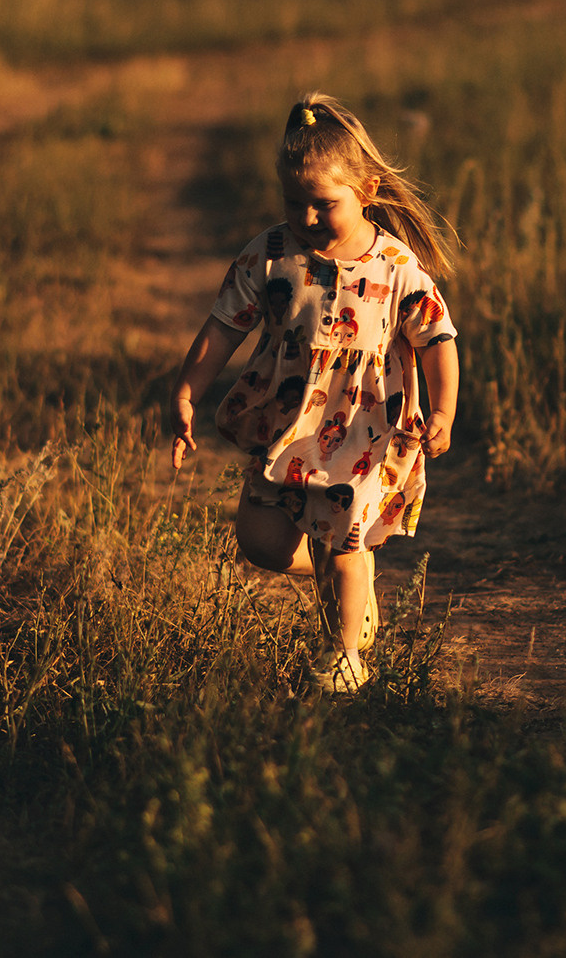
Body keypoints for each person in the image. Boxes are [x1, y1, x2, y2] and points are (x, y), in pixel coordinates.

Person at [168, 92, 460, 693]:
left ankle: (346, 655)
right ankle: (343, 574)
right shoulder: (270, 255)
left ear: (368, 190)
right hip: (287, 427)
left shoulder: (397, 266)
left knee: (345, 545)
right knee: (263, 545)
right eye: (292, 202)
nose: (305, 217)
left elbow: (437, 340)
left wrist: (444, 411)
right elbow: (224, 326)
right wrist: (187, 391)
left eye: (323, 204)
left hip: (363, 433)